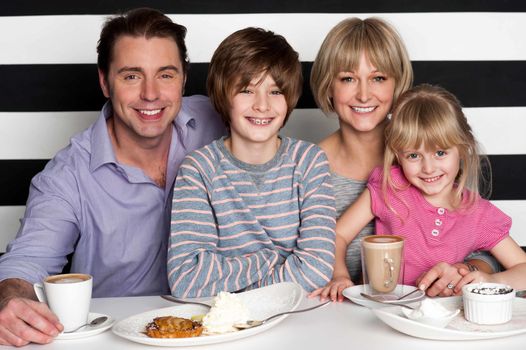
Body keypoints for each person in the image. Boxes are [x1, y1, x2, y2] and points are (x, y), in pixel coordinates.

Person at [0, 8, 225, 346]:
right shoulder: (67, 176)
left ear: (183, 78)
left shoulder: (221, 121)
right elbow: (26, 264)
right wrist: (8, 300)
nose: (151, 94)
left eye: (165, 75)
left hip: (224, 330)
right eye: (132, 76)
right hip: (119, 340)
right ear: (105, 82)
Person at [308, 17, 497, 301]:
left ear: (397, 84)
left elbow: (479, 241)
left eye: (378, 78)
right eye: (348, 78)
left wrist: (464, 270)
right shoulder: (306, 167)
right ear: (328, 86)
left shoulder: (426, 154)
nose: (363, 94)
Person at [314, 84, 526, 301]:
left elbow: (523, 268)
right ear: (398, 154)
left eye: (440, 153)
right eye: (413, 156)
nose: (428, 168)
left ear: (462, 148)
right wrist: (339, 275)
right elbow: (337, 234)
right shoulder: (391, 187)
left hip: (441, 321)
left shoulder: (479, 214)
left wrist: (492, 281)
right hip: (381, 311)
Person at [167, 27, 336, 298]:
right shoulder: (199, 169)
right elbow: (187, 281)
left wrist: (232, 288)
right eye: (246, 90)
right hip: (226, 329)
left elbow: (316, 269)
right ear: (224, 95)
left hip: (296, 321)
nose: (262, 105)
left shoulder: (309, 161)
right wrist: (270, 258)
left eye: (276, 91)